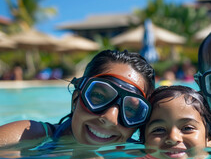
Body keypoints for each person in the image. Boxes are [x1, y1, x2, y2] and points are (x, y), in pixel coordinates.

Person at [0, 49, 155, 147]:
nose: (110, 118)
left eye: (130, 109)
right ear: (76, 98)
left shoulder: (138, 153)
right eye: (99, 96)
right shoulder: (27, 135)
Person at [139, 85, 211, 159]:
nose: (173, 138)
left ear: (210, 138)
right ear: (144, 139)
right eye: (159, 130)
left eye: (187, 128)